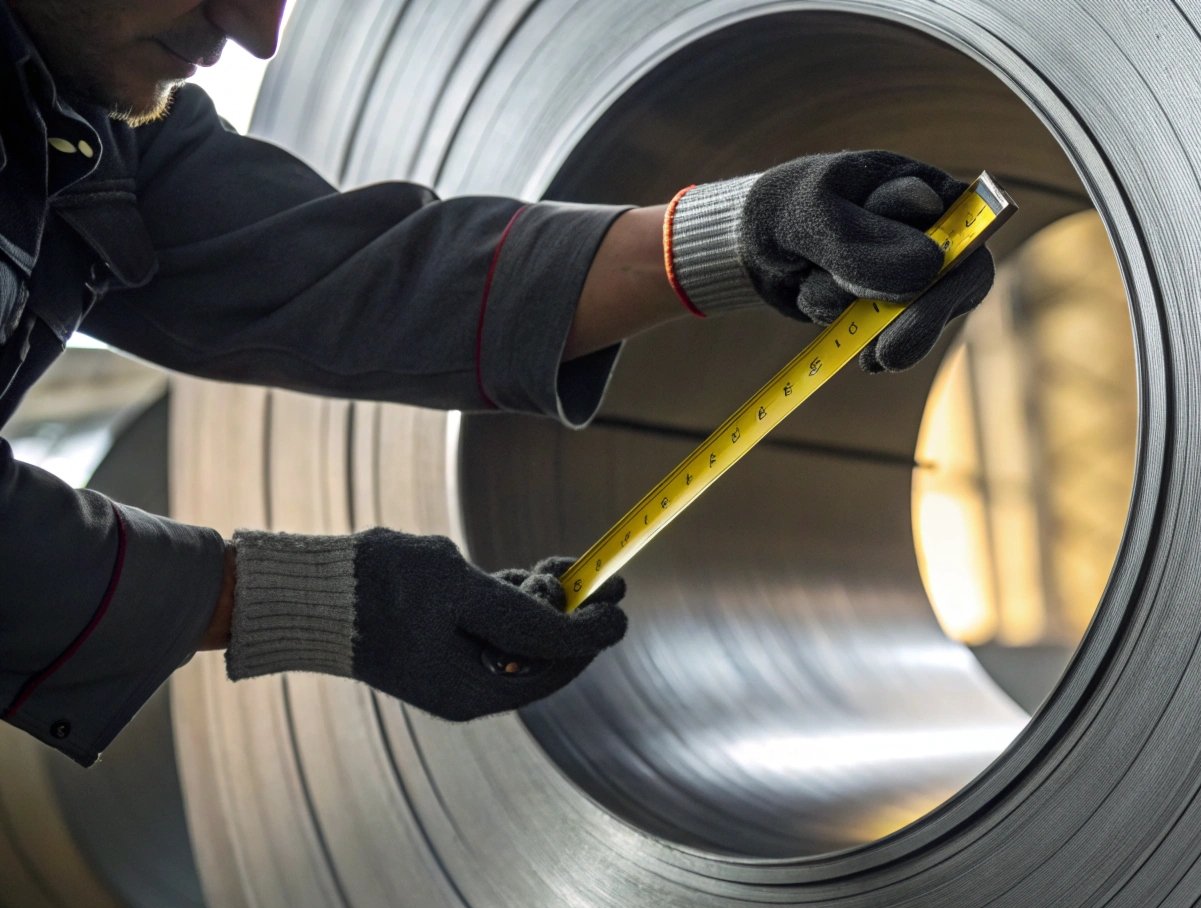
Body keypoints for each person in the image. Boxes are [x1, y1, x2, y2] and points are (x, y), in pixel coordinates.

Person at [0, 0, 995, 767]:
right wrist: (315, 599)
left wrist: (745, 234)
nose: (259, 33)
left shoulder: (83, 112)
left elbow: (348, 274)